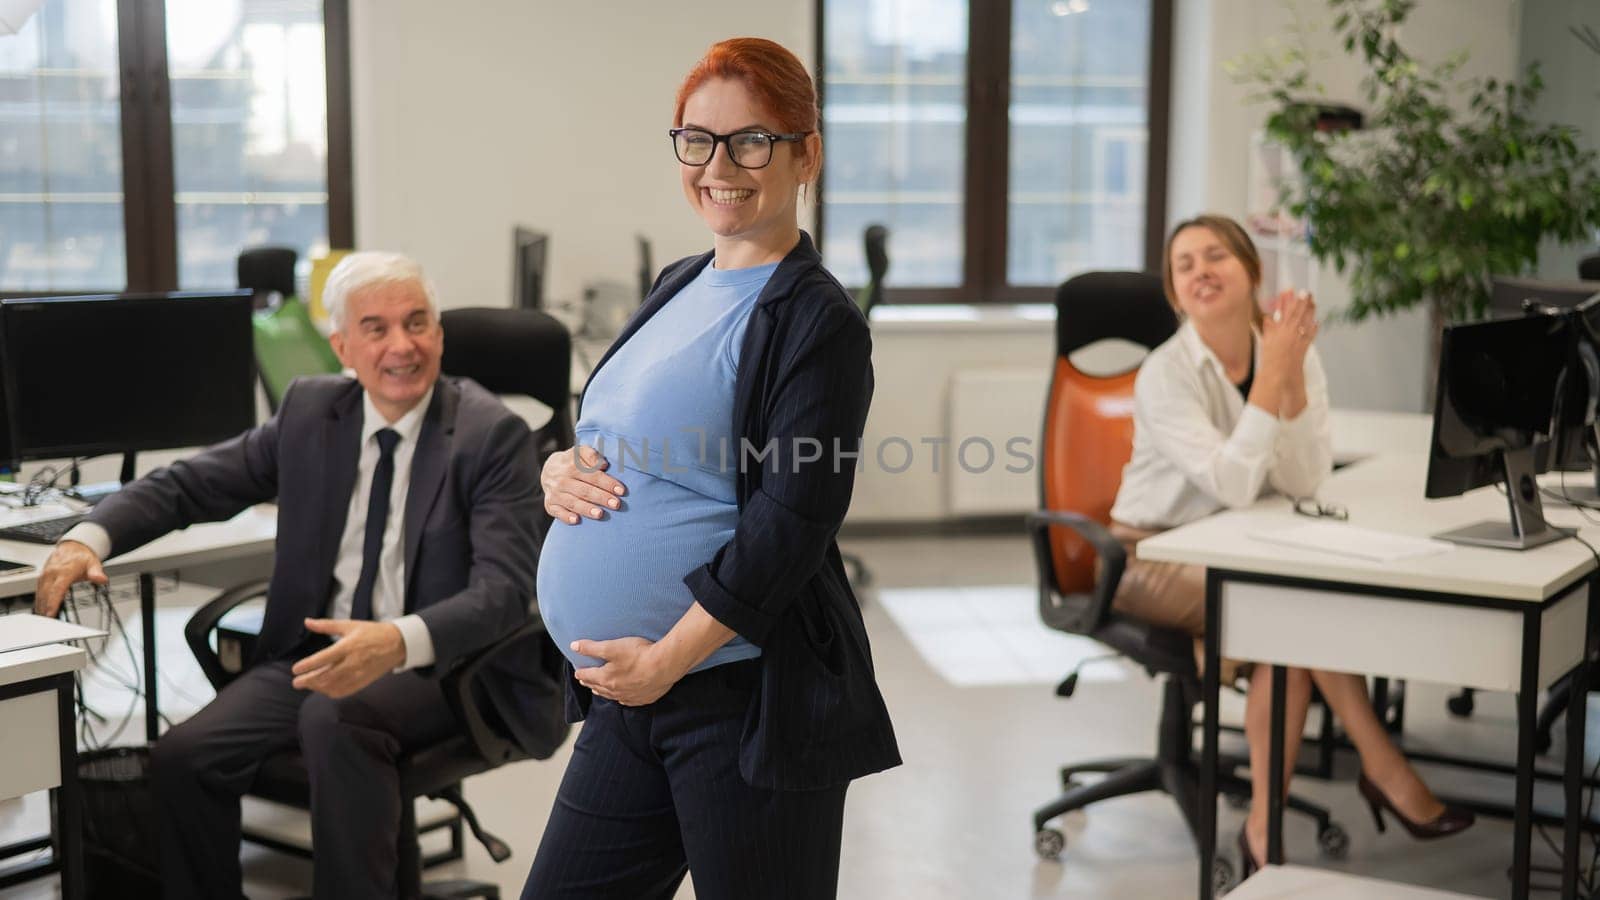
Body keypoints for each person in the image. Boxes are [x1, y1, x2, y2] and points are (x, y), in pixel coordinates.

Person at [34, 251, 564, 900]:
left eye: (417, 323)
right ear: (341, 345)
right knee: (184, 757)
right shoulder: (314, 412)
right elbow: (190, 485)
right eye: (376, 328)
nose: (402, 345)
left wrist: (396, 640)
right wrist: (88, 536)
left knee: (333, 721)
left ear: (440, 334)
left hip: (444, 666)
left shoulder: (489, 435)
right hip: (316, 655)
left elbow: (504, 594)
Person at [522, 37, 900, 900]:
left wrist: (669, 659)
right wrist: (559, 471)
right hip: (631, 698)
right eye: (697, 139)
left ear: (806, 153)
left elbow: (794, 522)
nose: (719, 165)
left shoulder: (819, 321)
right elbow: (619, 435)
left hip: (740, 699)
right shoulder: (678, 279)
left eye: (751, 141)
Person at [1107, 214, 1474, 877]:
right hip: (1151, 555)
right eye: (1183, 265)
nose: (1200, 272)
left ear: (1253, 272)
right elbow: (1234, 482)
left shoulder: (1289, 348)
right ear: (1174, 291)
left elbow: (1304, 479)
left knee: (1290, 641)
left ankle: (1263, 830)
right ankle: (1384, 769)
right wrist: (1276, 376)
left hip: (1242, 547)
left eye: (1216, 255)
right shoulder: (1166, 372)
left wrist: (1289, 373)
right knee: (1292, 617)